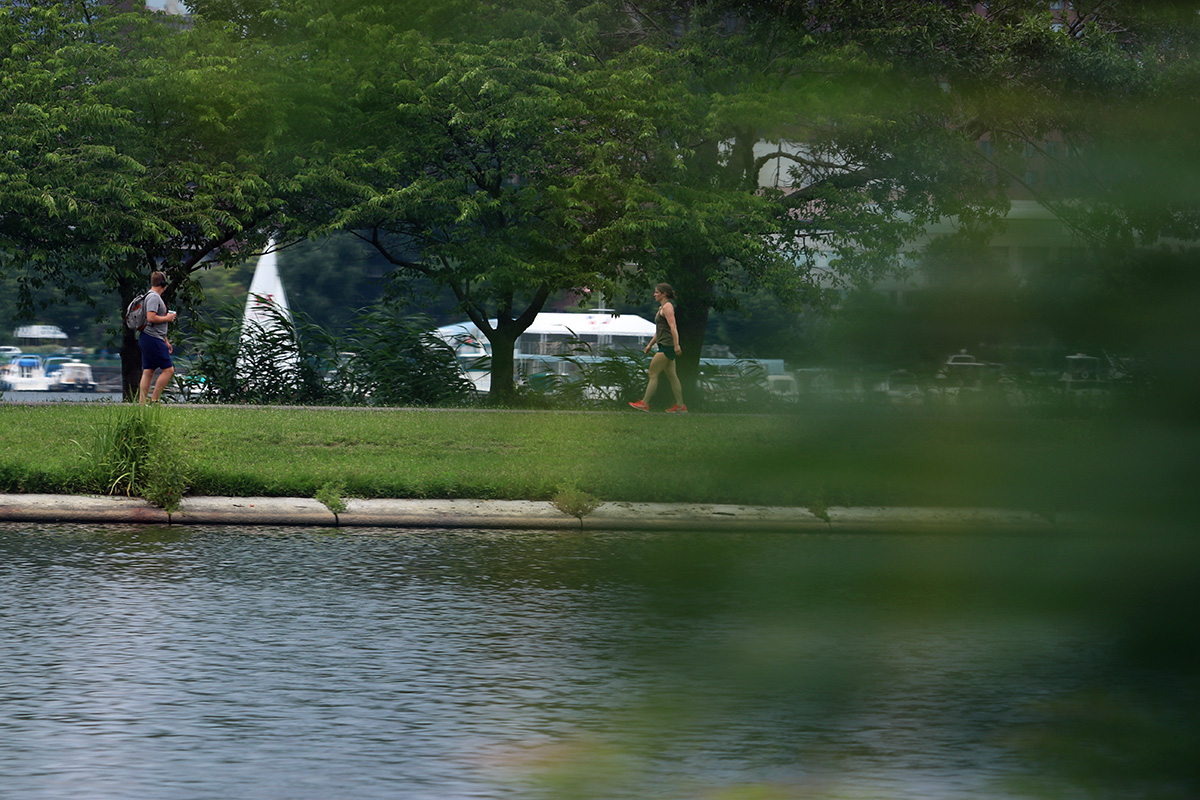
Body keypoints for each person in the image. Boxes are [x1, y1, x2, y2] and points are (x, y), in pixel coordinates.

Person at [629, 282, 687, 413]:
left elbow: (673, 326)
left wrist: (676, 345)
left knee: (653, 373)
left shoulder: (667, 307)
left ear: (664, 294)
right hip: (664, 344)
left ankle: (644, 403)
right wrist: (650, 345)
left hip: (667, 345)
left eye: (657, 292)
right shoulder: (661, 308)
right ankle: (680, 405)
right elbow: (659, 330)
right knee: (672, 376)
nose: (654, 294)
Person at [138, 271, 178, 404]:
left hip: (150, 337)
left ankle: (142, 403)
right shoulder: (154, 297)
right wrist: (168, 318)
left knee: (148, 371)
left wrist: (165, 340)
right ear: (163, 284)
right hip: (153, 338)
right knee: (168, 370)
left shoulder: (149, 296)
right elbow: (151, 318)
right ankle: (155, 399)